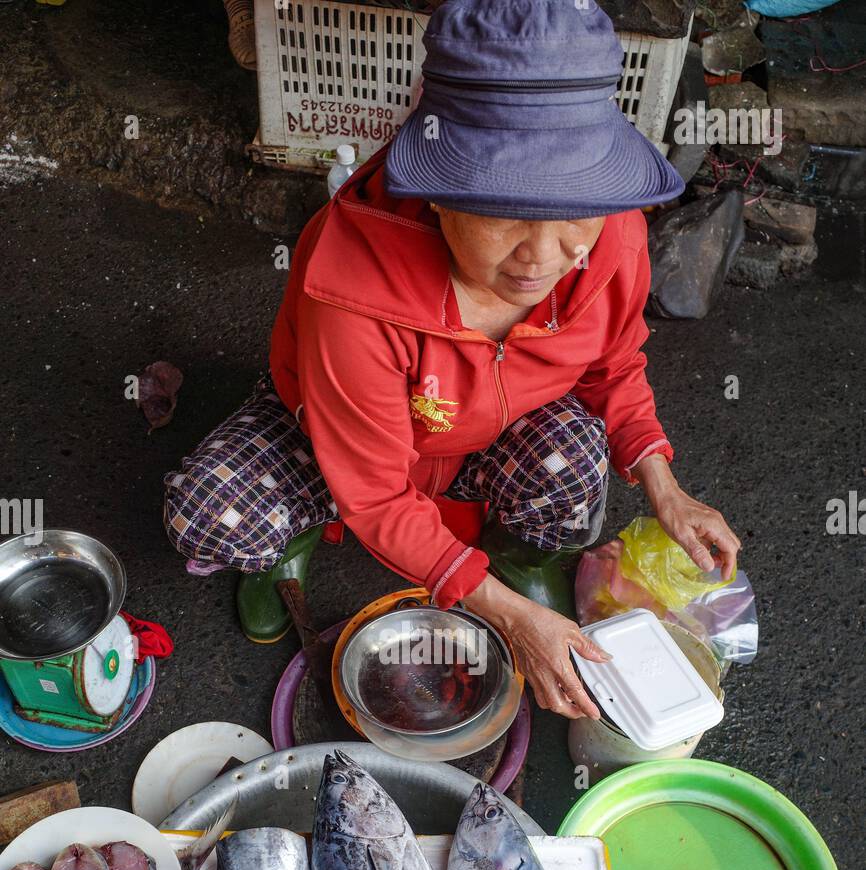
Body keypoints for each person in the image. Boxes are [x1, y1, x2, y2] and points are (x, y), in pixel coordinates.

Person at [165, 0, 740, 720]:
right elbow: (374, 493)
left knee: (575, 470)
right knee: (211, 514)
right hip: (338, 445)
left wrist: (664, 484)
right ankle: (296, 543)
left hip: (490, 433)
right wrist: (505, 619)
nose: (543, 257)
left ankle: (506, 566)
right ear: (437, 191)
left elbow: (614, 362)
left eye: (572, 215)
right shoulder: (352, 286)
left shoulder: (610, 231)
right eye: (504, 214)